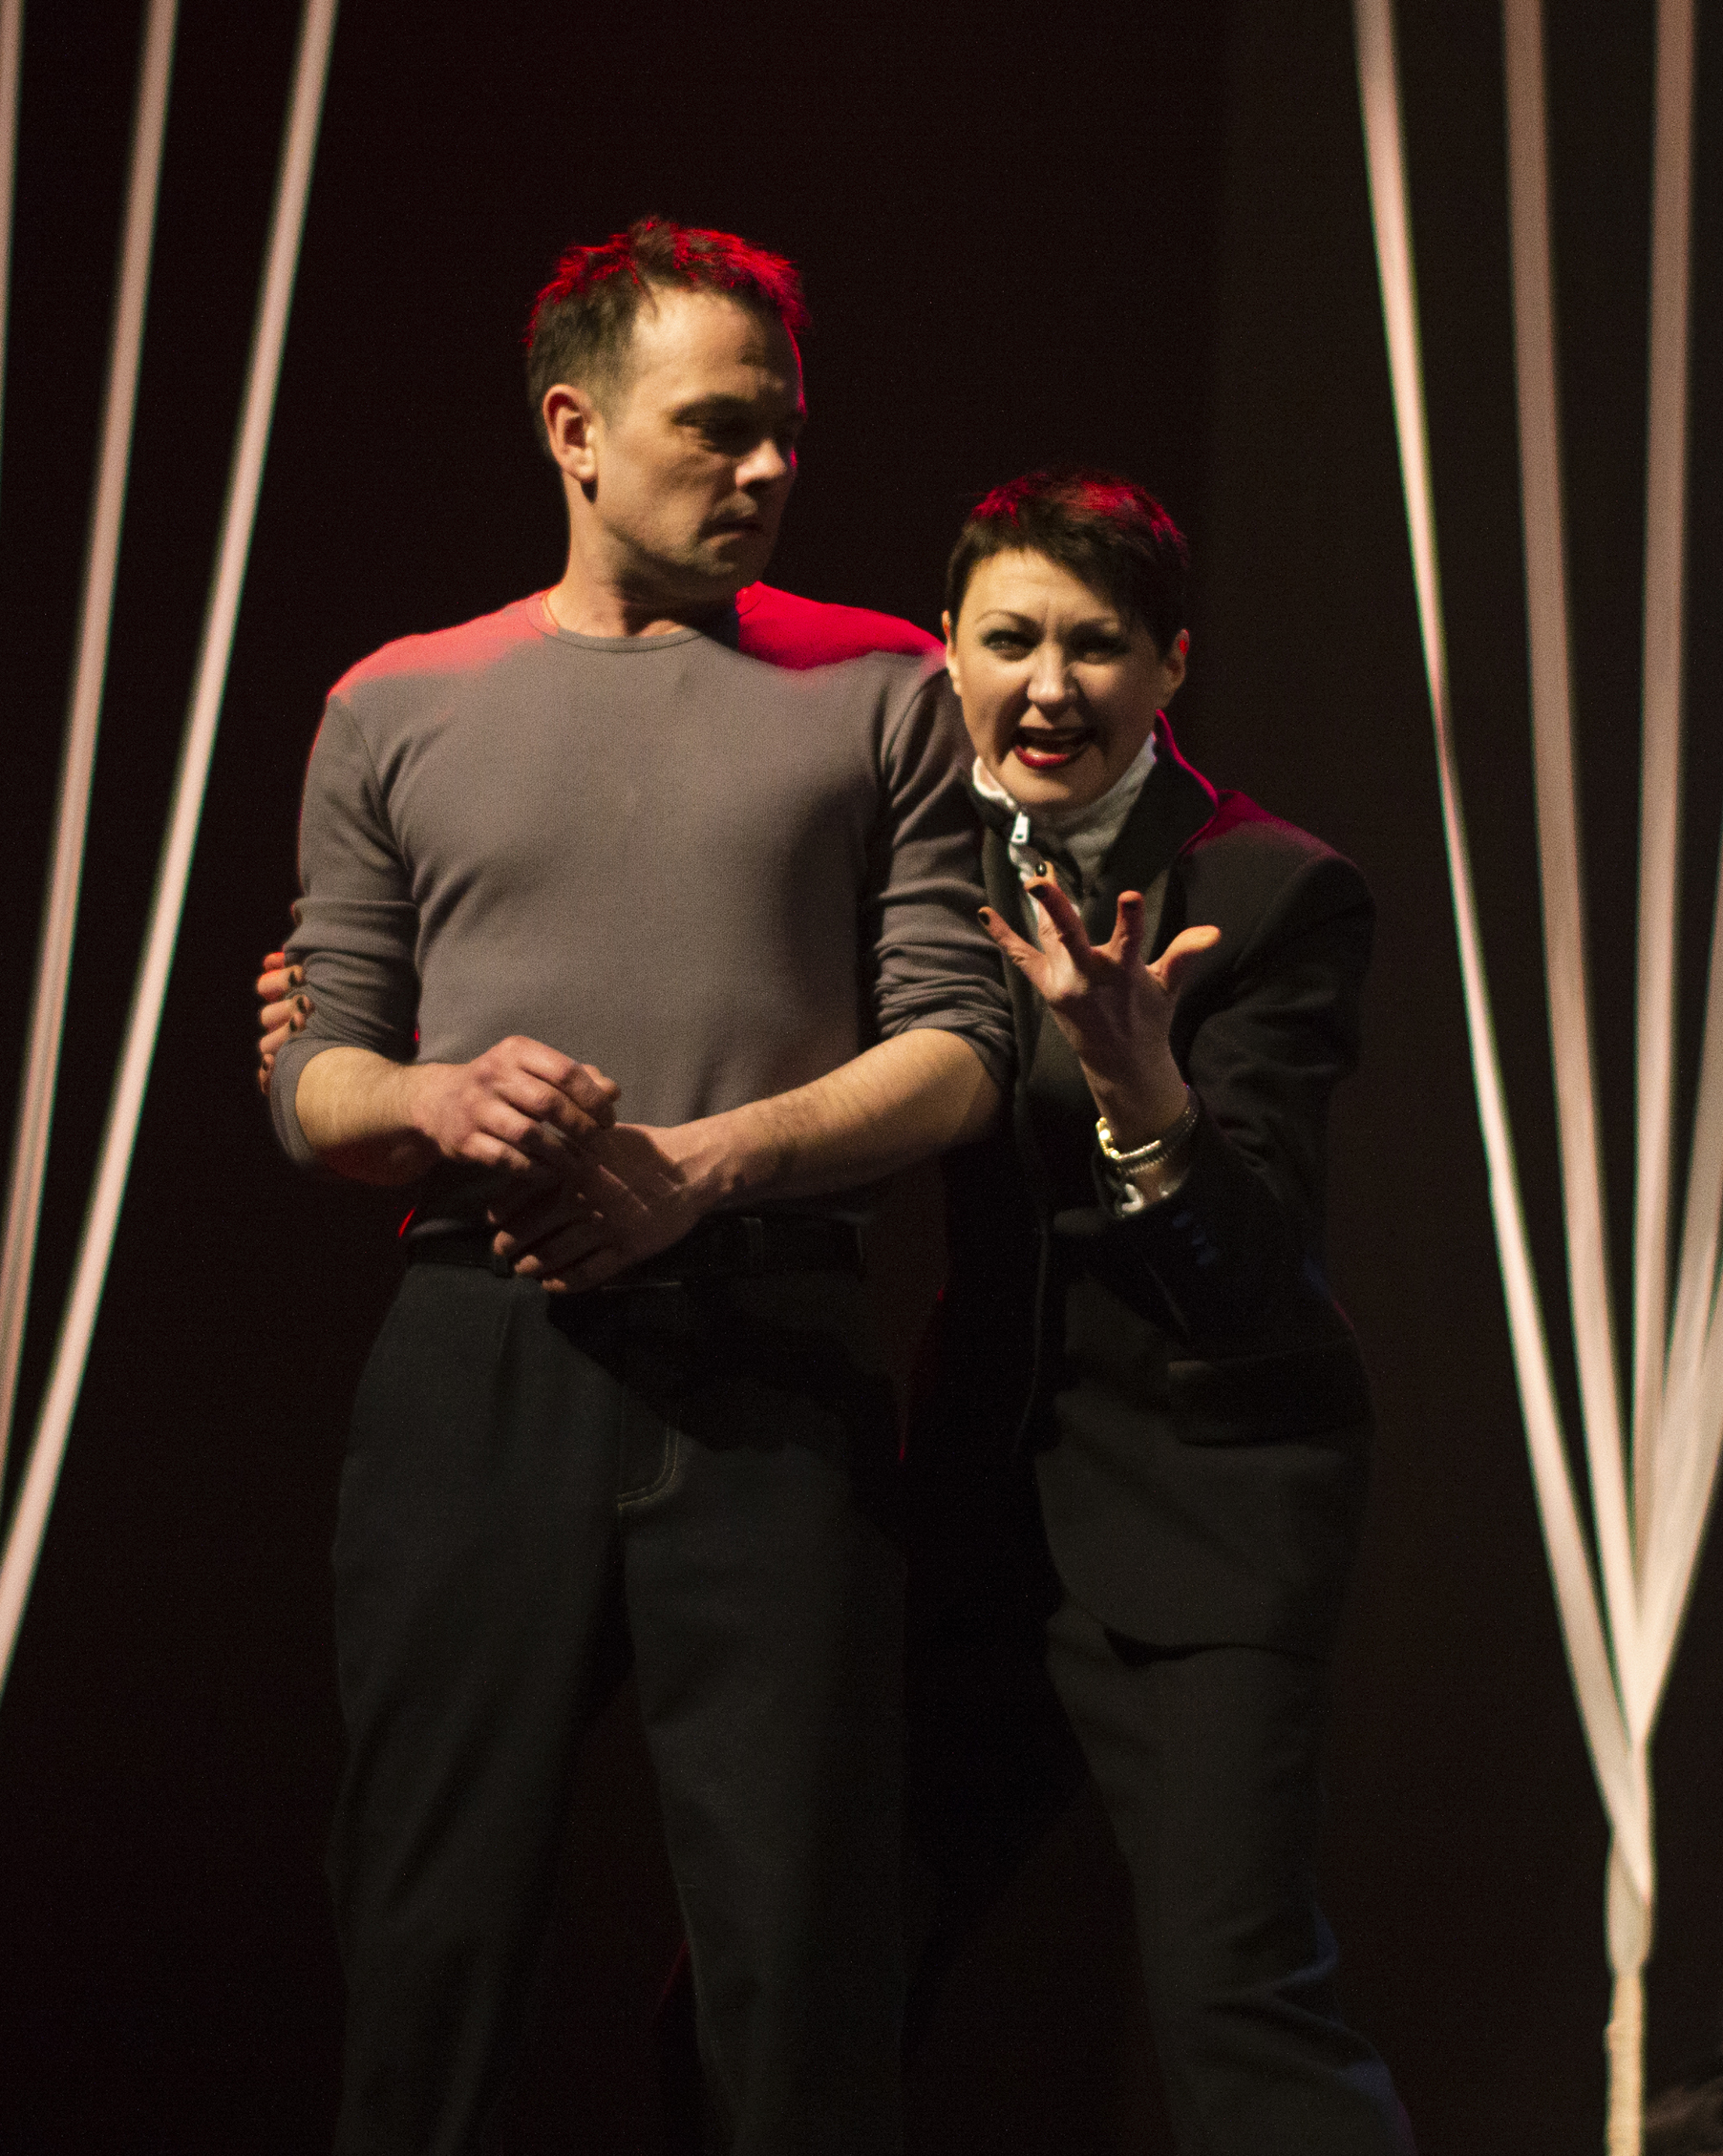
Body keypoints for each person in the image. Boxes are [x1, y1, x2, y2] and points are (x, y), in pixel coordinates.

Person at [265, 215, 1012, 2156]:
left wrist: (703, 1160)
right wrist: (438, 1095)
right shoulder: (396, 701)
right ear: (575, 430)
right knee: (426, 1928)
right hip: (478, 1355)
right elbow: (314, 1073)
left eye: (784, 431)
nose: (765, 467)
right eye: (716, 426)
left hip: (769, 1355)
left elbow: (959, 1045)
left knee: (797, 1944)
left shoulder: (881, 682)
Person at [905, 469, 1415, 2151]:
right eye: (1011, 640)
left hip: (1205, 1510)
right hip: (968, 1516)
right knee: (786, 1985)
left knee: (1238, 2011)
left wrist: (1145, 1090)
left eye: (1098, 645)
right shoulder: (903, 849)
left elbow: (1249, 1275)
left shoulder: (1270, 889)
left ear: (1170, 665)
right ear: (948, 649)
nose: (1050, 685)